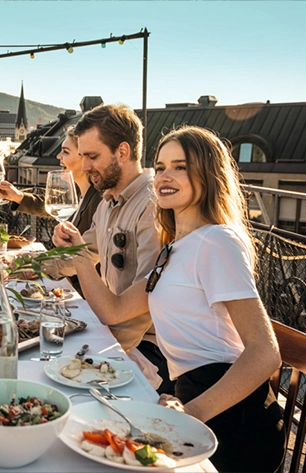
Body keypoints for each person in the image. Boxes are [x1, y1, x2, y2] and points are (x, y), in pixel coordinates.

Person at [55, 125, 285, 472]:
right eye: (160, 166)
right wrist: (81, 258)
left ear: (208, 175)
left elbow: (265, 353)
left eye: (180, 166)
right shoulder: (174, 249)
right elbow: (113, 310)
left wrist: (191, 413)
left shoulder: (217, 242)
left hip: (234, 416)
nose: (164, 175)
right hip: (192, 394)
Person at [51, 104, 171, 394]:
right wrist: (17, 269)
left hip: (149, 350)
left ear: (123, 152)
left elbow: (143, 307)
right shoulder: (107, 202)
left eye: (93, 157)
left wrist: (98, 347)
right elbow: (79, 253)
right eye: (83, 157)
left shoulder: (154, 205)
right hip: (110, 335)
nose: (86, 166)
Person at [0, 125, 102, 234]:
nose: (58, 156)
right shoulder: (78, 193)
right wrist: (17, 196)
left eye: (65, 152)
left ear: (84, 156)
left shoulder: (99, 202)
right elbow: (50, 204)